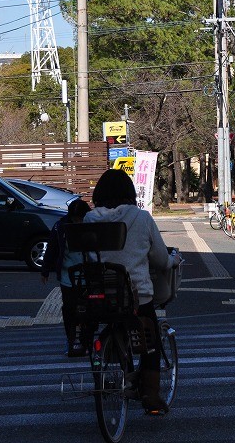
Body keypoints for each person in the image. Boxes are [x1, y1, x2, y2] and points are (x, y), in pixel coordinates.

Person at [85, 168, 172, 415]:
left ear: (99, 194)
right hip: (137, 298)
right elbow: (160, 259)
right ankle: (151, 396)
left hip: (99, 296)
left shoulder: (90, 220)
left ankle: (106, 371)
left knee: (106, 326)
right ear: (130, 193)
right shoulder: (141, 218)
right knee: (150, 341)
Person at [41, 197, 92, 357]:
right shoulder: (61, 227)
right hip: (67, 275)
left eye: (80, 219)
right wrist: (45, 270)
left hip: (89, 275)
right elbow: (52, 248)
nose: (78, 222)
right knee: (69, 309)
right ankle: (71, 339)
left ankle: (85, 339)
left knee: (89, 310)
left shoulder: (92, 225)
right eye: (75, 219)